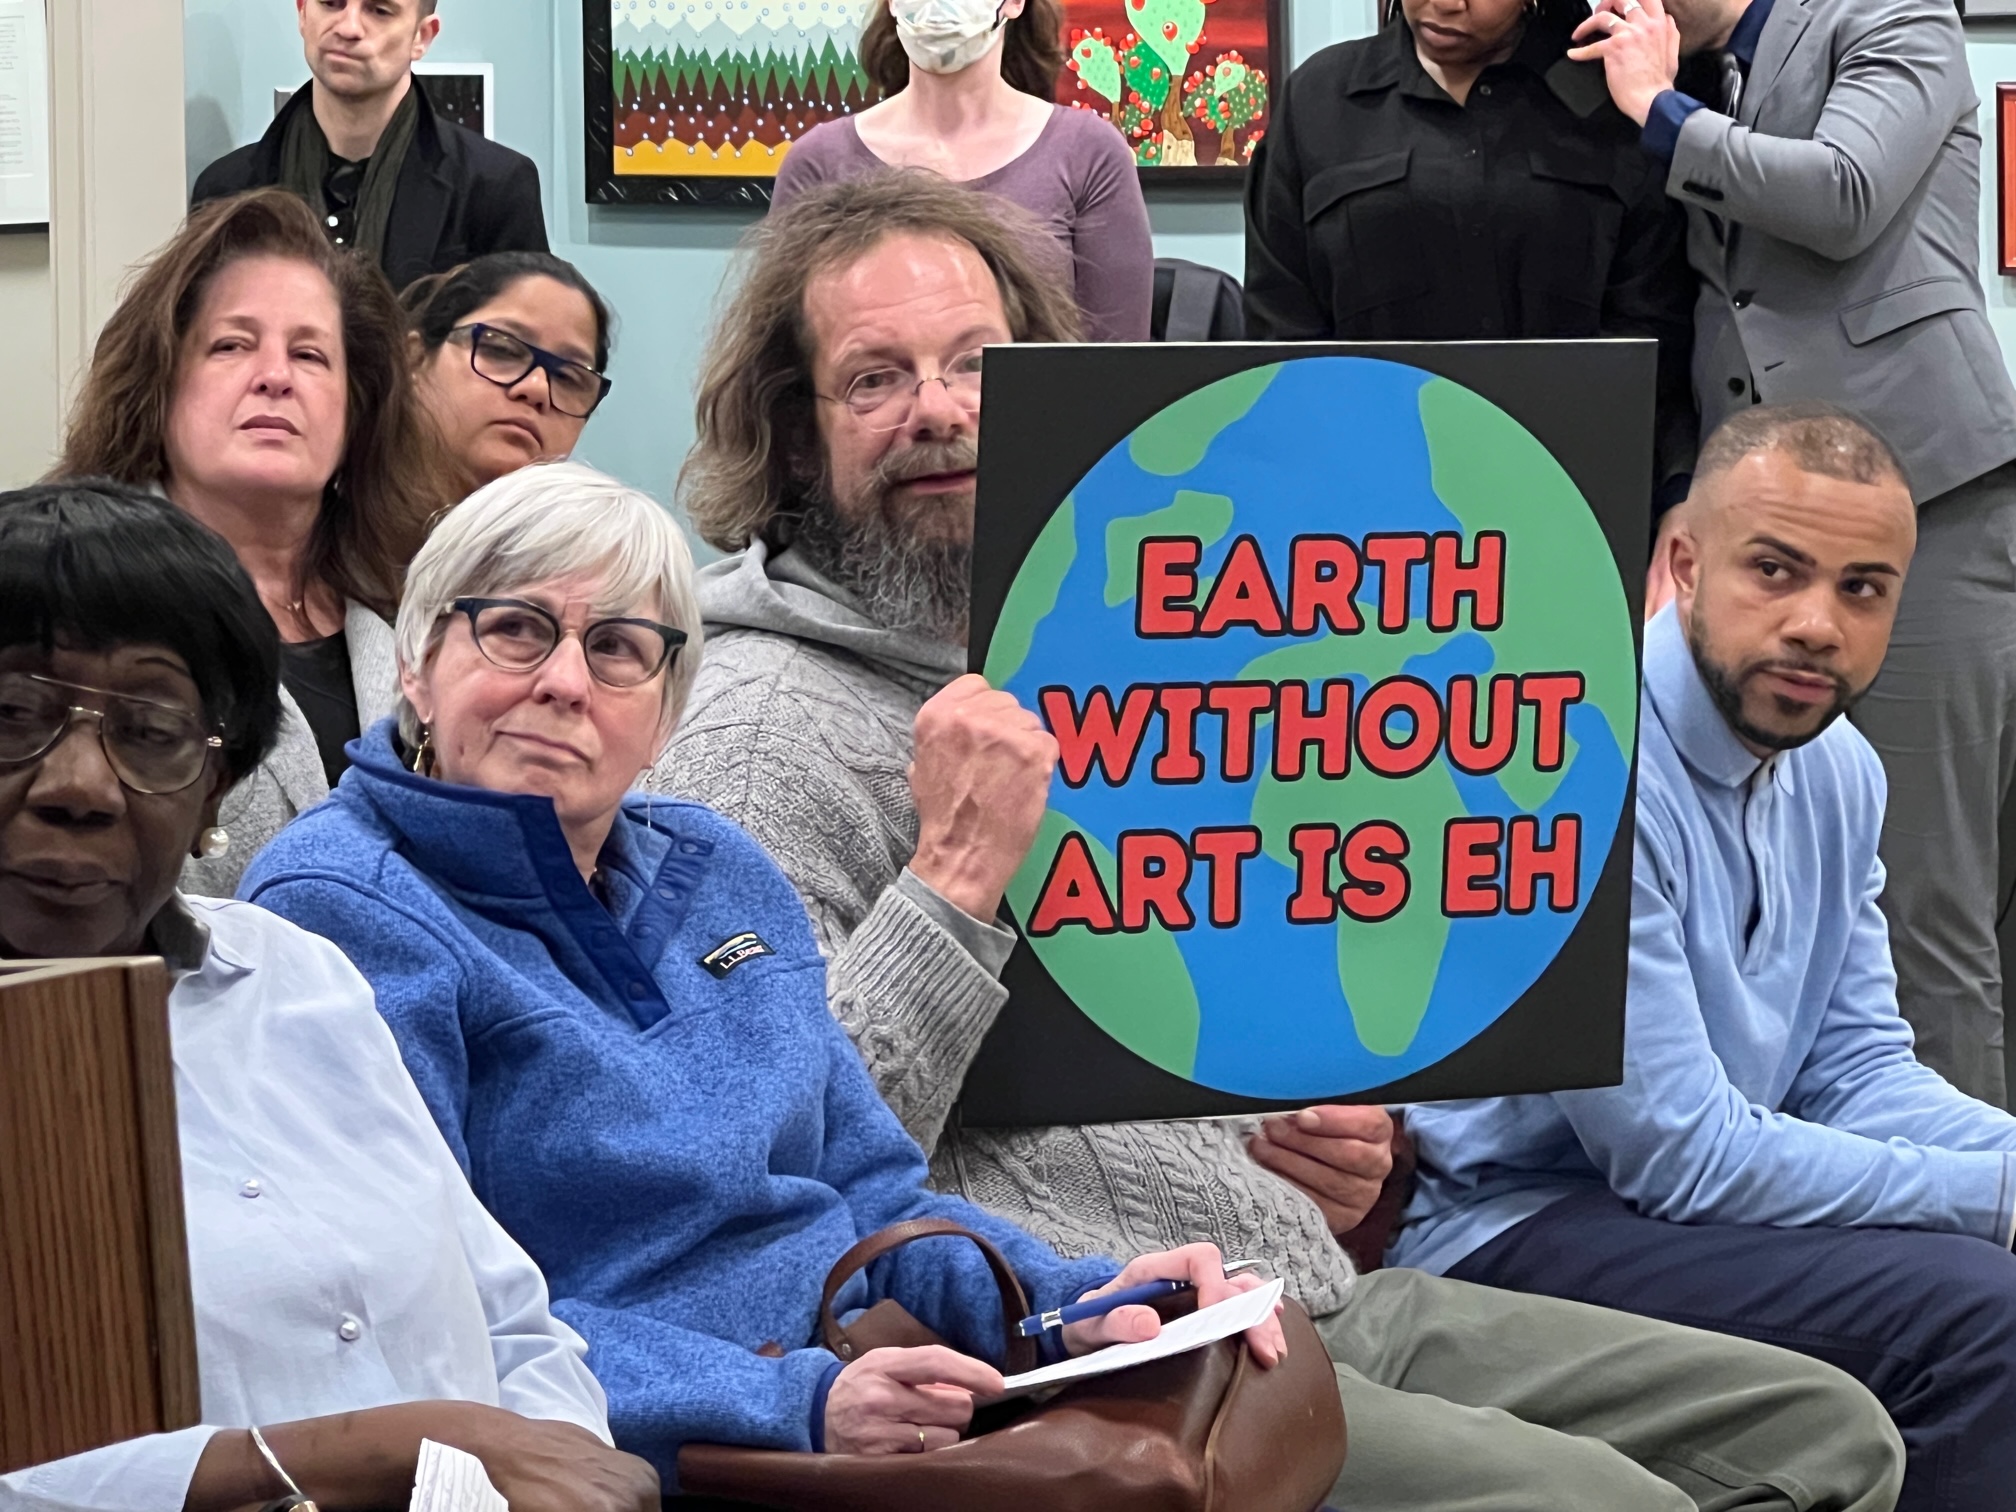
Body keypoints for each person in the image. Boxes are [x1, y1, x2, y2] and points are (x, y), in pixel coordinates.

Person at [643, 172, 1903, 1511]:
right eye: (876, 380)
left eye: (976, 364)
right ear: (793, 439)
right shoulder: (758, 729)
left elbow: (1146, 1012)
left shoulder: (1108, 651)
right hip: (1095, 1347)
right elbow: (761, 1167)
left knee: (1834, 1440)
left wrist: (1308, 1134)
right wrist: (953, 879)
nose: (942, 409)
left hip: (1293, 1278)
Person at [237, 459, 1291, 1488]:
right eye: (514, 629)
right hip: (620, 1460)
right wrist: (792, 1407)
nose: (562, 682)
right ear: (417, 666)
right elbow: (424, 1318)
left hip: (842, 1400)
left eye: (617, 649)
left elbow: (869, 1190)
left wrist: (1074, 1305)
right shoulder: (338, 910)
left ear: (661, 719)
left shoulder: (717, 869)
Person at [1391, 404, 2016, 1512]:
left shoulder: (1843, 771)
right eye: (1775, 572)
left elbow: (1855, 1071)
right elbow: (1678, 1155)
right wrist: (1997, 1197)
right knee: (1985, 1309)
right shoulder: (1570, 759)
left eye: (1862, 589)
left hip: (1684, 1209)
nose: (1818, 624)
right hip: (1516, 1223)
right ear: (1682, 564)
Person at [0, 479, 657, 1512]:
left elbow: (516, 1328)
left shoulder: (298, 974)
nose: (78, 784)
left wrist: (555, 1469)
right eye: (14, 714)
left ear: (217, 785)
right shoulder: (349, 900)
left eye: (152, 730)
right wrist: (386, 1453)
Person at [1573, 0, 2016, 1105]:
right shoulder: (1701, 69)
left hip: (1927, 497)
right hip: (1755, 524)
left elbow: (1842, 193)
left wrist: (1658, 110)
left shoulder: (1891, 16)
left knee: (1931, 905)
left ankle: (1972, 1240)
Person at [54, 188, 453, 897]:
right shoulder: (61, 599)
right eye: (232, 345)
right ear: (161, 387)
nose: (275, 375)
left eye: (310, 354)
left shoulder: (418, 618)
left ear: (355, 411)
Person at [1244, 0, 1697, 497]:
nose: (1446, 4)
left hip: (1569, 486)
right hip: (1365, 489)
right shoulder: (1320, 99)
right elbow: (1281, 325)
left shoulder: (1611, 98)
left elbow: (1655, 327)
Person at [772, 0, 1152, 342]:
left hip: (1038, 416)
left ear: (1015, 3)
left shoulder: (1089, 153)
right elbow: (784, 361)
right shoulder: (818, 164)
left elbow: (1116, 368)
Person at [192, 0, 548, 291]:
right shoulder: (227, 188)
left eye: (378, 10)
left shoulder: (496, 188)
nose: (348, 28)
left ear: (421, 37)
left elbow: (523, 352)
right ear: (302, 12)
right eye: (331, 4)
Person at [403, 252, 615, 500]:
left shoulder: (595, 538)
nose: (537, 388)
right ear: (415, 359)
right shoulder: (349, 519)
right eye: (501, 350)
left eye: (568, 378)